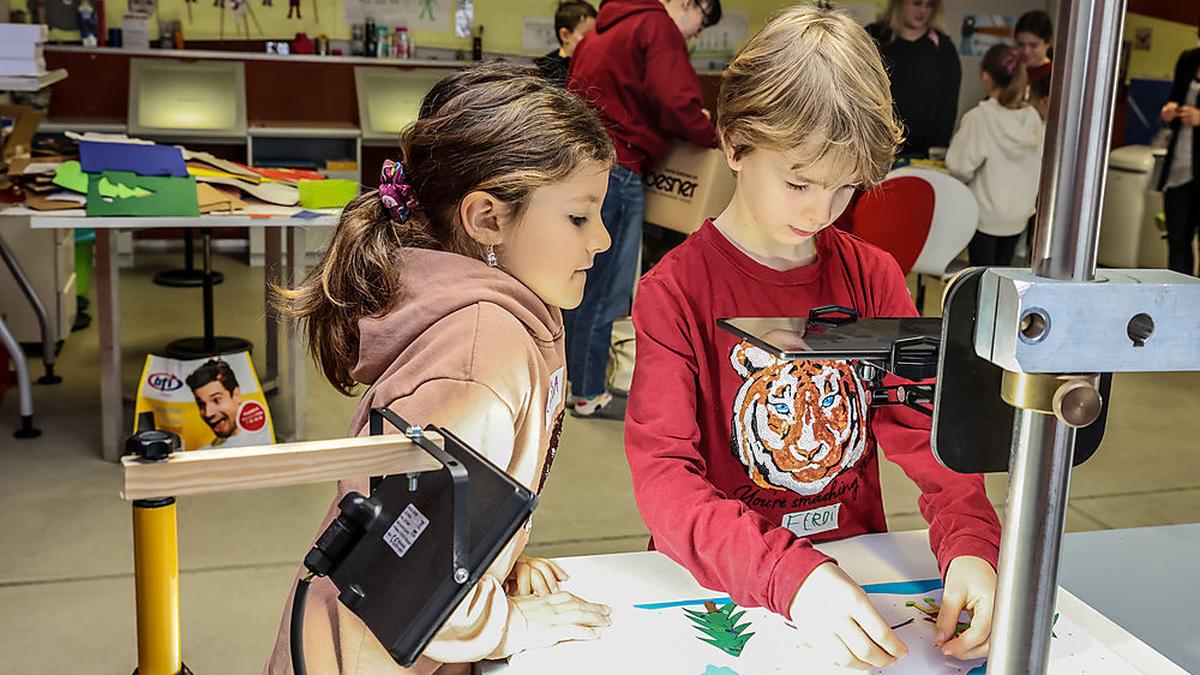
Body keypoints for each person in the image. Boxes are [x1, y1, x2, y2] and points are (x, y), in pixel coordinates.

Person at [625, 6, 1001, 672]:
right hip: (728, 585)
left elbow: (923, 425)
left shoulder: (870, 274)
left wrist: (970, 538)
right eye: (799, 182)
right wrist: (788, 574)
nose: (819, 211)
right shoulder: (677, 292)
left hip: (859, 573)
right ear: (735, 144)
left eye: (844, 188)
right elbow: (666, 481)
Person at [265, 62, 617, 674]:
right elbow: (409, 565)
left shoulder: (499, 319)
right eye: (579, 217)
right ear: (486, 219)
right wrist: (504, 623)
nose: (603, 240)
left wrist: (495, 562)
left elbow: (444, 508)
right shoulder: (483, 354)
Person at [564, 0, 721, 419]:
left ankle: (569, 381)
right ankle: (589, 390)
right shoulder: (658, 28)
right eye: (701, 22)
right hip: (621, 168)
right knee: (606, 287)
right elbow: (676, 100)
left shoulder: (601, 28)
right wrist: (712, 135)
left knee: (574, 279)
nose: (696, 34)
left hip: (580, 165)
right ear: (691, 4)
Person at [946, 43, 1044, 268]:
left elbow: (959, 167)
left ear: (986, 78)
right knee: (1003, 277)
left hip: (984, 217)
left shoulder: (979, 118)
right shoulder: (1032, 118)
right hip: (1019, 217)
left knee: (981, 279)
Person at [867, 0, 961, 159]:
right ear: (899, 3)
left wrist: (938, 148)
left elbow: (948, 105)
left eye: (929, 5)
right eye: (917, 3)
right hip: (875, 147)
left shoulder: (942, 47)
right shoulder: (874, 37)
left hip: (923, 154)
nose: (923, 10)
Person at [1157, 41, 1200, 276]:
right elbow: (1174, 99)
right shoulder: (1188, 59)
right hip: (1180, 163)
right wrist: (1169, 112)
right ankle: (1180, 299)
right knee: (1177, 239)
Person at [534, 1, 597, 87]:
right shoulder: (546, 69)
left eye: (595, 35)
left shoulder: (593, 64)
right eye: (586, 35)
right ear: (565, 35)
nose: (593, 40)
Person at [1014, 9, 1053, 92]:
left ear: (1047, 43)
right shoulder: (1010, 69)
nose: (1026, 51)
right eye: (1021, 45)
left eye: (1033, 45)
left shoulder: (1053, 76)